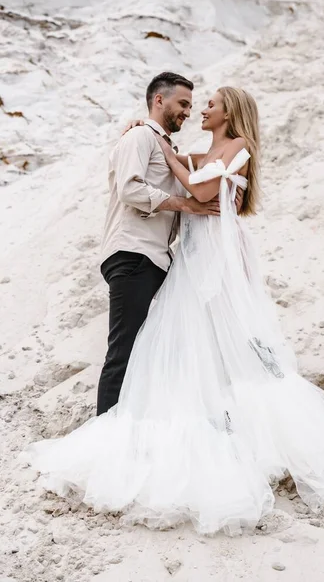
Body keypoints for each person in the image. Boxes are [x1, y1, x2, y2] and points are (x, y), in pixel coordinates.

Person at [24, 86, 324, 536]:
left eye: (211, 104)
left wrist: (161, 144)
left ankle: (228, 431)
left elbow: (197, 185)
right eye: (194, 103)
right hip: (189, 253)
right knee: (184, 341)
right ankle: (174, 425)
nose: (202, 109)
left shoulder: (239, 146)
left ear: (230, 112)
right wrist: (155, 141)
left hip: (215, 253)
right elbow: (185, 174)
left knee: (224, 337)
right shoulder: (204, 148)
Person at [96, 71, 235, 416]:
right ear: (160, 100)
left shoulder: (163, 145)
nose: (189, 112)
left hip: (156, 258)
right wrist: (187, 204)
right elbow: (130, 189)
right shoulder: (140, 137)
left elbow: (209, 164)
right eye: (183, 103)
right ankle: (104, 434)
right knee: (124, 351)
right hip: (132, 253)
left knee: (158, 344)